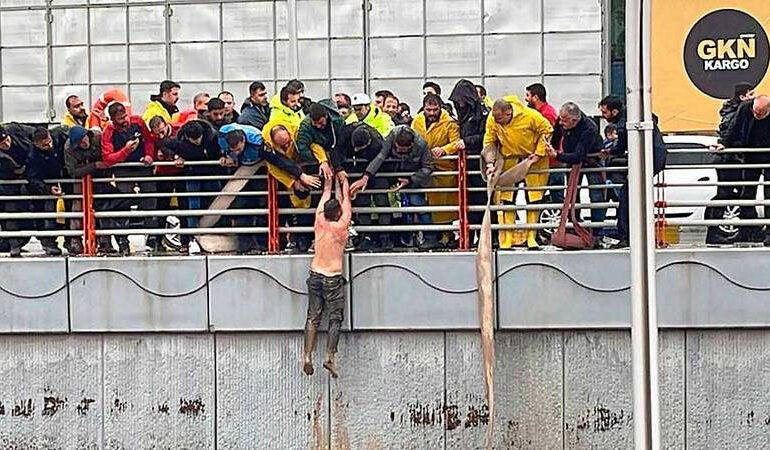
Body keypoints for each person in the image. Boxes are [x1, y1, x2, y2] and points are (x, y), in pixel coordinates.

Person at [218, 123, 309, 252]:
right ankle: (245, 246)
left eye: (239, 149)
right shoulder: (222, 135)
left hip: (261, 170)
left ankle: (266, 244)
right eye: (234, 150)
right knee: (241, 207)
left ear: (244, 141)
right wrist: (225, 157)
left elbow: (278, 160)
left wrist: (299, 175)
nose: (237, 152)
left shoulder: (258, 142)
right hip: (241, 172)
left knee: (264, 205)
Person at [482, 97, 553, 250]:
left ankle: (531, 236)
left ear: (509, 113)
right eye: (495, 118)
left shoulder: (530, 115)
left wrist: (538, 153)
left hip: (532, 161)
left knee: (534, 198)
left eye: (500, 119)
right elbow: (489, 140)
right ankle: (507, 236)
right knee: (506, 198)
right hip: (509, 159)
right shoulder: (493, 119)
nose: (497, 122)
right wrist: (489, 162)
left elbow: (547, 130)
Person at [349, 125, 435, 250]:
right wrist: (366, 176)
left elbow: (428, 167)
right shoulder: (391, 137)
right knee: (380, 201)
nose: (399, 152)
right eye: (397, 149)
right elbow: (381, 157)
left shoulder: (422, 144)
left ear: (411, 145)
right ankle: (379, 238)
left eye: (403, 151)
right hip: (392, 172)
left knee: (418, 204)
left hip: (413, 176)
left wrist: (410, 179)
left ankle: (431, 237)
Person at [598, 95, 667, 247]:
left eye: (604, 112)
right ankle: (638, 234)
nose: (603, 116)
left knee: (626, 197)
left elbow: (620, 147)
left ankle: (627, 235)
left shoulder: (623, 125)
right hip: (654, 156)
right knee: (633, 196)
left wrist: (609, 152)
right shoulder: (635, 112)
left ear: (614, 112)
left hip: (647, 159)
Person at [302, 170, 351, 378]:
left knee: (312, 317)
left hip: (315, 273)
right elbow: (347, 200)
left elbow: (325, 193)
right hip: (333, 277)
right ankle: (330, 357)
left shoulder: (319, 221)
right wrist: (344, 181)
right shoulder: (342, 226)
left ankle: (307, 356)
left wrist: (329, 182)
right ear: (338, 213)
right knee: (335, 317)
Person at [102, 102, 158, 254]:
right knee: (122, 202)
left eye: (125, 116)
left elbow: (149, 139)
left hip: (143, 167)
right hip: (123, 170)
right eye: (120, 119)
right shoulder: (108, 131)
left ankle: (153, 237)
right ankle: (122, 239)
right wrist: (125, 151)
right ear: (113, 120)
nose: (124, 121)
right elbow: (108, 157)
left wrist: (149, 155)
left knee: (150, 200)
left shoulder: (138, 122)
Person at [262, 118, 322, 252]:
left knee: (312, 202)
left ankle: (309, 238)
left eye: (288, 143)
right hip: (287, 178)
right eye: (282, 145)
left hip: (307, 169)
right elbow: (274, 167)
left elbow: (314, 146)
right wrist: (293, 182)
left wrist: (323, 161)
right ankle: (298, 239)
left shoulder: (298, 131)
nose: (286, 146)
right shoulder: (266, 144)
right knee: (291, 207)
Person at [546, 103, 606, 236]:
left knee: (596, 194)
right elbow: (556, 137)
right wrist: (553, 148)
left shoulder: (589, 128)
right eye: (561, 119)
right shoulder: (562, 120)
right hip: (571, 157)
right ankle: (574, 226)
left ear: (575, 120)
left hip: (592, 159)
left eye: (564, 121)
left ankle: (597, 231)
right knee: (572, 194)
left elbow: (578, 156)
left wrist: (557, 155)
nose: (561, 123)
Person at [718, 95, 770, 246]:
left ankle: (769, 233)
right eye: (755, 112)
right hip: (750, 154)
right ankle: (745, 230)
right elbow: (734, 127)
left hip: (768, 155)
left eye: (760, 114)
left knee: (769, 194)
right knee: (746, 193)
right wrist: (724, 143)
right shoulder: (745, 108)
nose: (756, 115)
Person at [412, 93, 461, 248]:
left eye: (435, 110)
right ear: (423, 108)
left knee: (446, 207)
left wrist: (444, 149)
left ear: (440, 108)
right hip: (424, 168)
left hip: (444, 169)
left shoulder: (449, 123)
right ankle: (432, 237)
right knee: (427, 205)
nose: (432, 113)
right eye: (429, 110)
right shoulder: (417, 121)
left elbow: (456, 142)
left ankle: (447, 236)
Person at [64, 126, 123, 254]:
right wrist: (94, 166)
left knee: (105, 206)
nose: (83, 143)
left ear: (87, 134)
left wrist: (104, 168)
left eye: (83, 140)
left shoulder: (99, 138)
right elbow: (72, 171)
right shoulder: (69, 148)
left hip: (102, 177)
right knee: (78, 206)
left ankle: (105, 241)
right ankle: (76, 241)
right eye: (79, 143)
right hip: (82, 179)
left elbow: (110, 155)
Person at [338, 123, 391, 250]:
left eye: (360, 148)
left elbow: (380, 161)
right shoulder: (346, 133)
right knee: (361, 202)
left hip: (379, 172)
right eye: (355, 147)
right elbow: (337, 151)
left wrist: (367, 176)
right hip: (358, 171)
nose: (356, 150)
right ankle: (365, 236)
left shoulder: (378, 143)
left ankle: (385, 238)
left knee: (381, 201)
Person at [449, 79, 489, 237]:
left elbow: (486, 136)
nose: (460, 104)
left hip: (478, 162)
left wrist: (468, 141)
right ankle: (470, 235)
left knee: (482, 198)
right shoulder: (465, 115)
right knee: (468, 200)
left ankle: (485, 235)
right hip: (467, 163)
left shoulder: (482, 114)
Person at [0, 123, 34, 257]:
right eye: (2, 144)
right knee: (10, 213)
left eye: (6, 140)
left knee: (29, 212)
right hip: (7, 186)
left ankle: (18, 242)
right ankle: (13, 244)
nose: (6, 144)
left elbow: (35, 133)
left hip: (27, 177)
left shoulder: (17, 132)